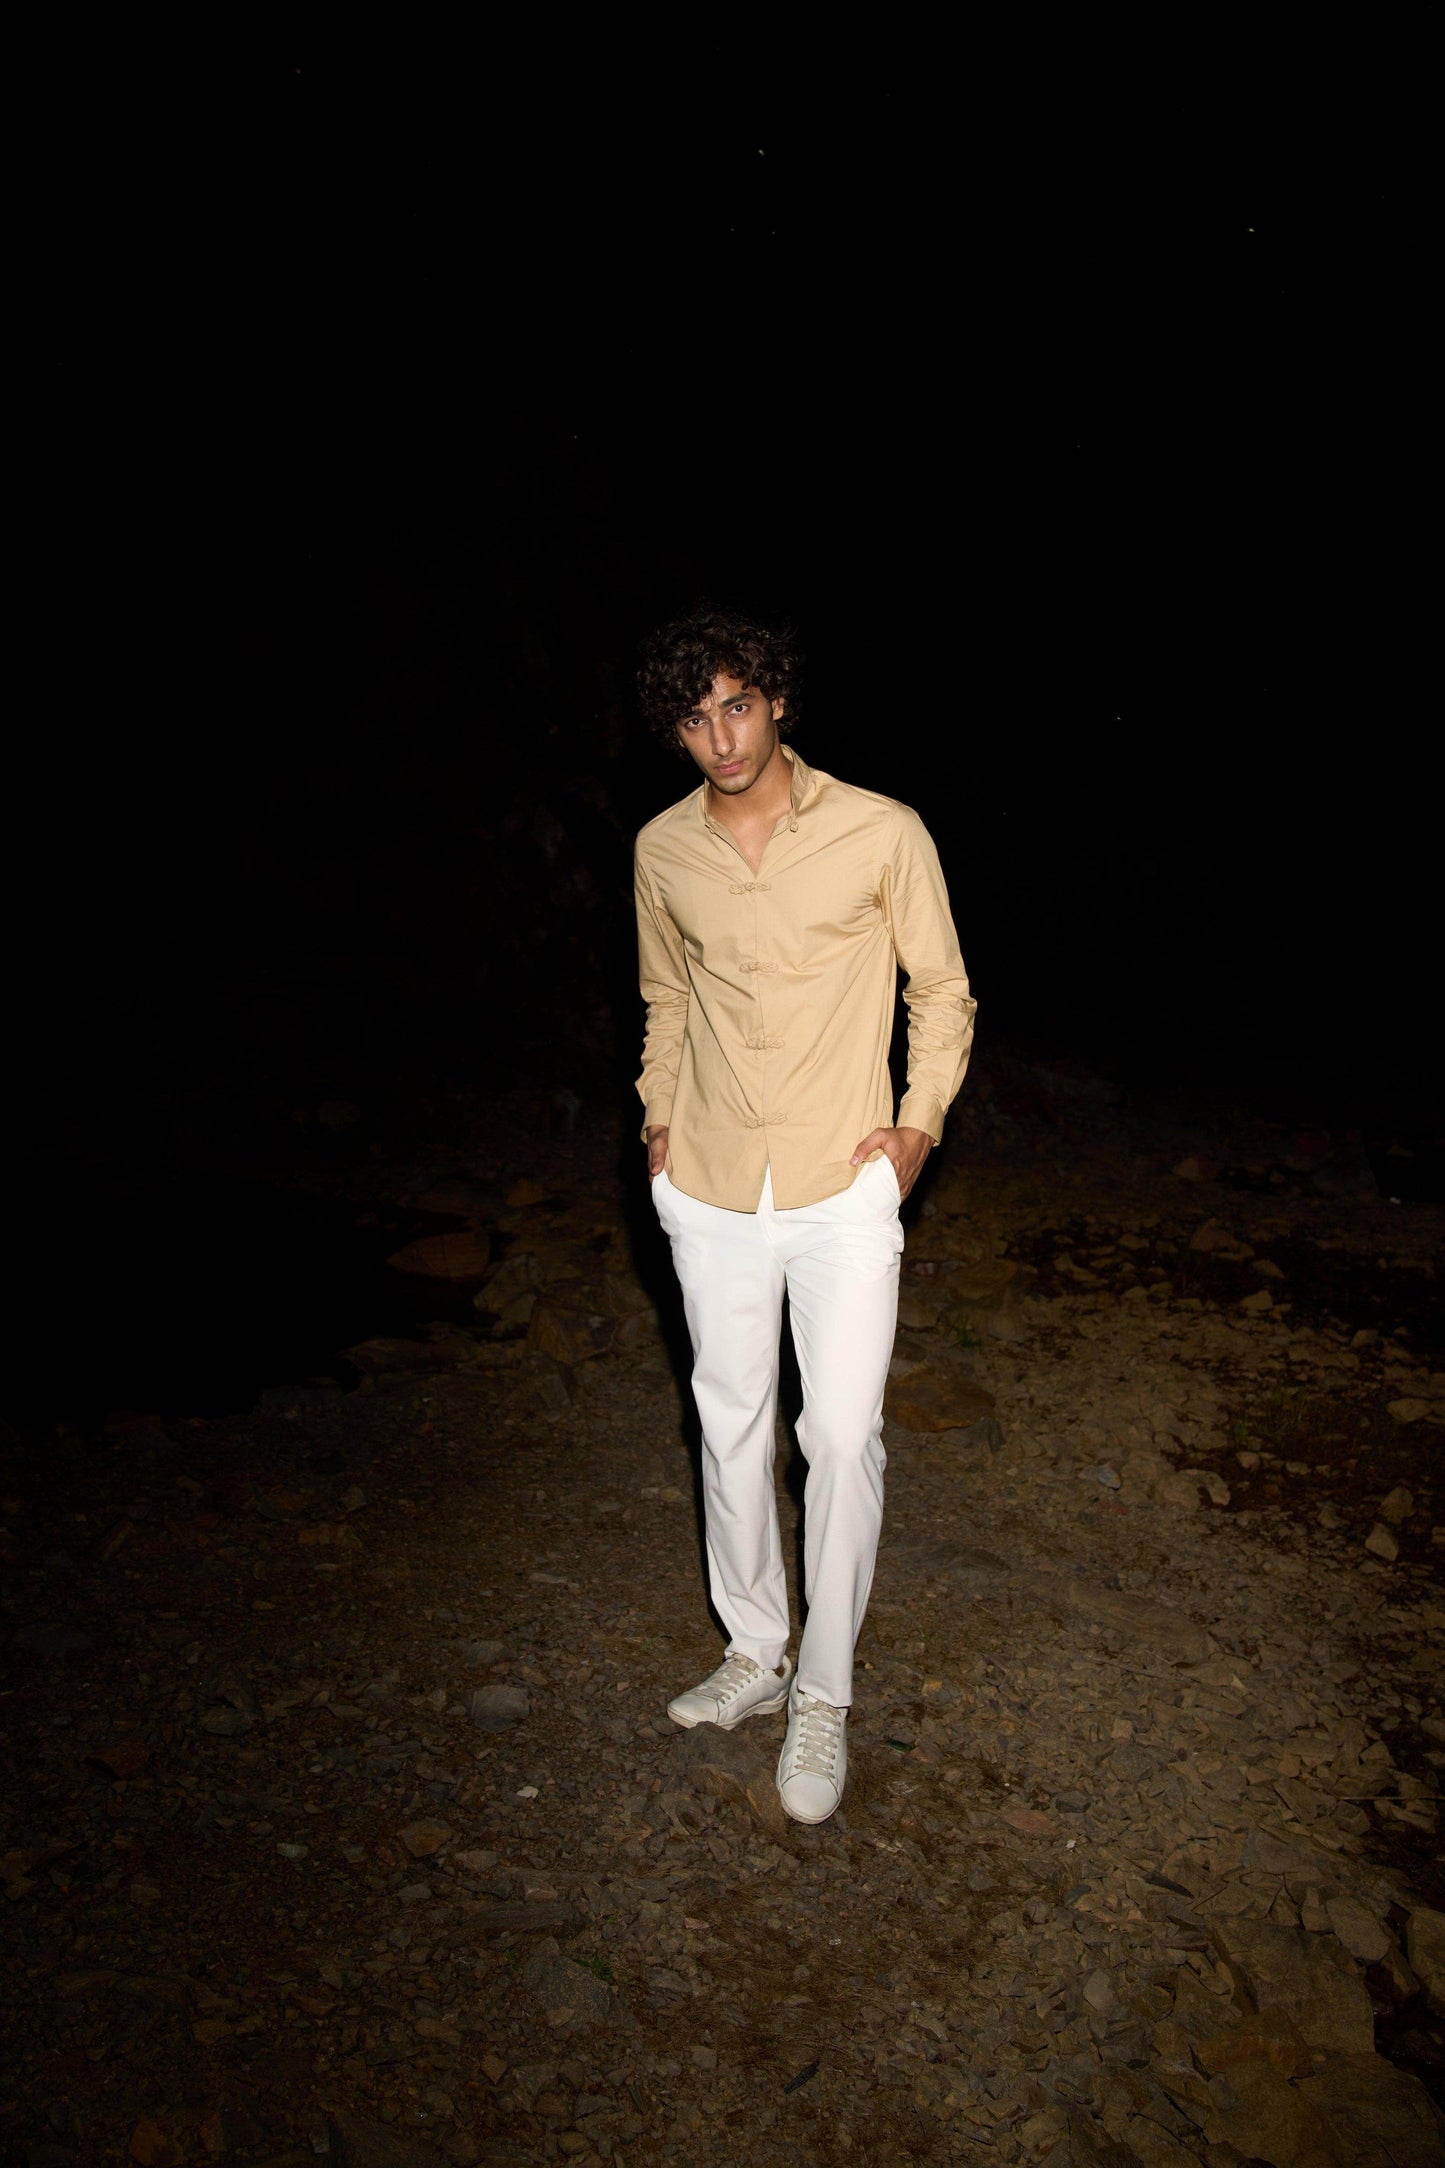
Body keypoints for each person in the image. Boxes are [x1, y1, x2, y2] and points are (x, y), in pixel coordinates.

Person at [633, 608, 975, 1823]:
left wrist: (915, 1128)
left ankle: (822, 1691)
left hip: (841, 1180)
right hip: (711, 1178)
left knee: (837, 1432)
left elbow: (941, 990)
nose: (720, 739)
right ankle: (754, 1651)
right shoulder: (661, 849)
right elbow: (666, 998)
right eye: (694, 717)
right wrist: (657, 1123)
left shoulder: (882, 829)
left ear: (775, 699)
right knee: (728, 1422)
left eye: (736, 705)